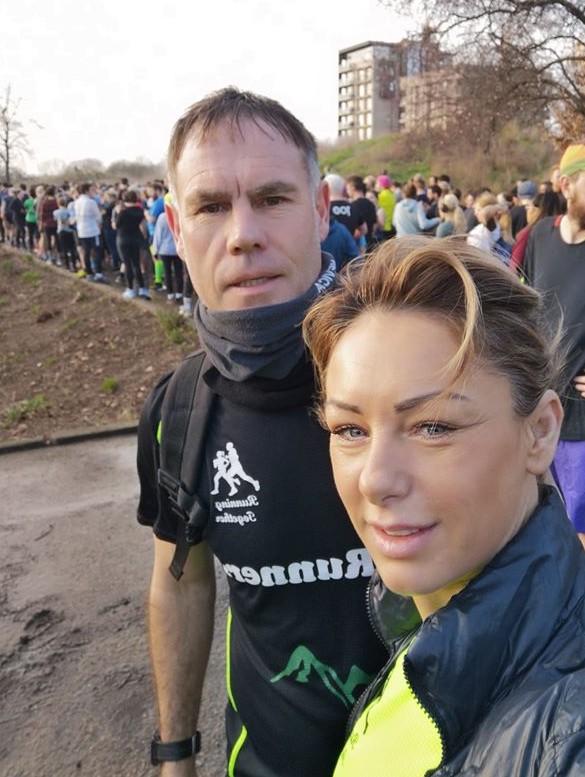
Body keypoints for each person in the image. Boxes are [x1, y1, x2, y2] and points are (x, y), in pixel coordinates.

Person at [136, 87, 388, 777]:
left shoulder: (416, 368)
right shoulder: (178, 409)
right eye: (210, 206)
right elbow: (180, 583)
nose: (243, 233)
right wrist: (174, 754)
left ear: (320, 209)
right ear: (175, 227)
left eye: (272, 198)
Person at [303, 237, 585, 776]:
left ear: (540, 432)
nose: (376, 480)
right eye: (350, 430)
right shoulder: (427, 619)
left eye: (433, 427)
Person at [524, 142, 585, 543]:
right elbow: (526, 310)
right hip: (537, 414)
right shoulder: (539, 236)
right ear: (566, 185)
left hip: (582, 424)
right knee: (544, 529)